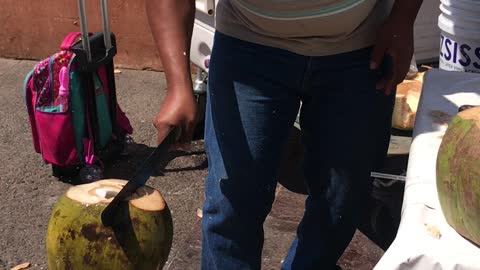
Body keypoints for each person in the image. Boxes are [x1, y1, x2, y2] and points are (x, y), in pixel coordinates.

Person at [145, 0, 423, 269]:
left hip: (361, 48)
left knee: (342, 198)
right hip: (248, 45)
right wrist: (178, 85)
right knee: (233, 202)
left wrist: (402, 18)